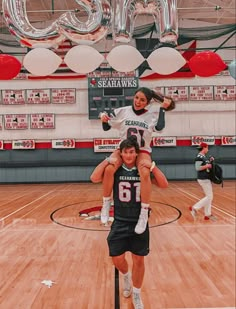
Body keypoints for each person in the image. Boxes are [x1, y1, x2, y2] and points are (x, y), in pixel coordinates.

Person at [90, 136, 168, 309]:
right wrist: (106, 161)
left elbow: (164, 184)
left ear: (136, 153)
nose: (128, 155)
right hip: (120, 220)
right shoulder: (116, 169)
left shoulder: (142, 171)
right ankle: (125, 275)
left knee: (139, 260)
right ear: (121, 153)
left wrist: (154, 167)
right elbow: (94, 178)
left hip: (138, 220)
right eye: (125, 152)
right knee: (117, 258)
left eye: (132, 152)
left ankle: (137, 294)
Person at [98, 87, 175, 234]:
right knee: (109, 169)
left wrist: (163, 109)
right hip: (124, 149)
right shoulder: (123, 111)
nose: (138, 101)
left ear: (147, 102)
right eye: (137, 97)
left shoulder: (152, 114)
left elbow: (160, 127)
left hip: (142, 150)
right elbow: (106, 127)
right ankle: (107, 203)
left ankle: (143, 212)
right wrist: (103, 119)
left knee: (145, 173)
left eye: (142, 100)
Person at [189, 142, 217, 221]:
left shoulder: (203, 156)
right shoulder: (199, 157)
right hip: (203, 179)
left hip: (206, 178)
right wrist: (207, 165)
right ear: (204, 148)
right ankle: (194, 208)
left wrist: (210, 161)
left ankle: (207, 214)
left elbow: (206, 165)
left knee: (209, 196)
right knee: (209, 196)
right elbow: (197, 168)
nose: (208, 149)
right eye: (207, 148)